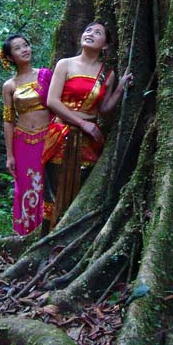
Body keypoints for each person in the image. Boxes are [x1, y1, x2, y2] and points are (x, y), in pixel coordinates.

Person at [42, 21, 133, 228]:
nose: (90, 33)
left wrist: (119, 89)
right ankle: (48, 241)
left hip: (88, 142)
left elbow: (104, 109)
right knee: (54, 194)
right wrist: (82, 123)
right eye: (88, 30)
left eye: (98, 32)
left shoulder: (107, 74)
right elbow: (52, 101)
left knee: (82, 190)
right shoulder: (65, 64)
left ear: (105, 45)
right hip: (60, 136)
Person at [0, 34, 52, 236]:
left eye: (26, 45)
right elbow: (8, 120)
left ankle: (48, 231)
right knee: (25, 188)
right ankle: (26, 235)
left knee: (47, 186)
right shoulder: (9, 86)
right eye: (18, 48)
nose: (24, 49)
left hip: (48, 139)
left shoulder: (46, 75)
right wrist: (9, 155)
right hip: (22, 142)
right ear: (10, 57)